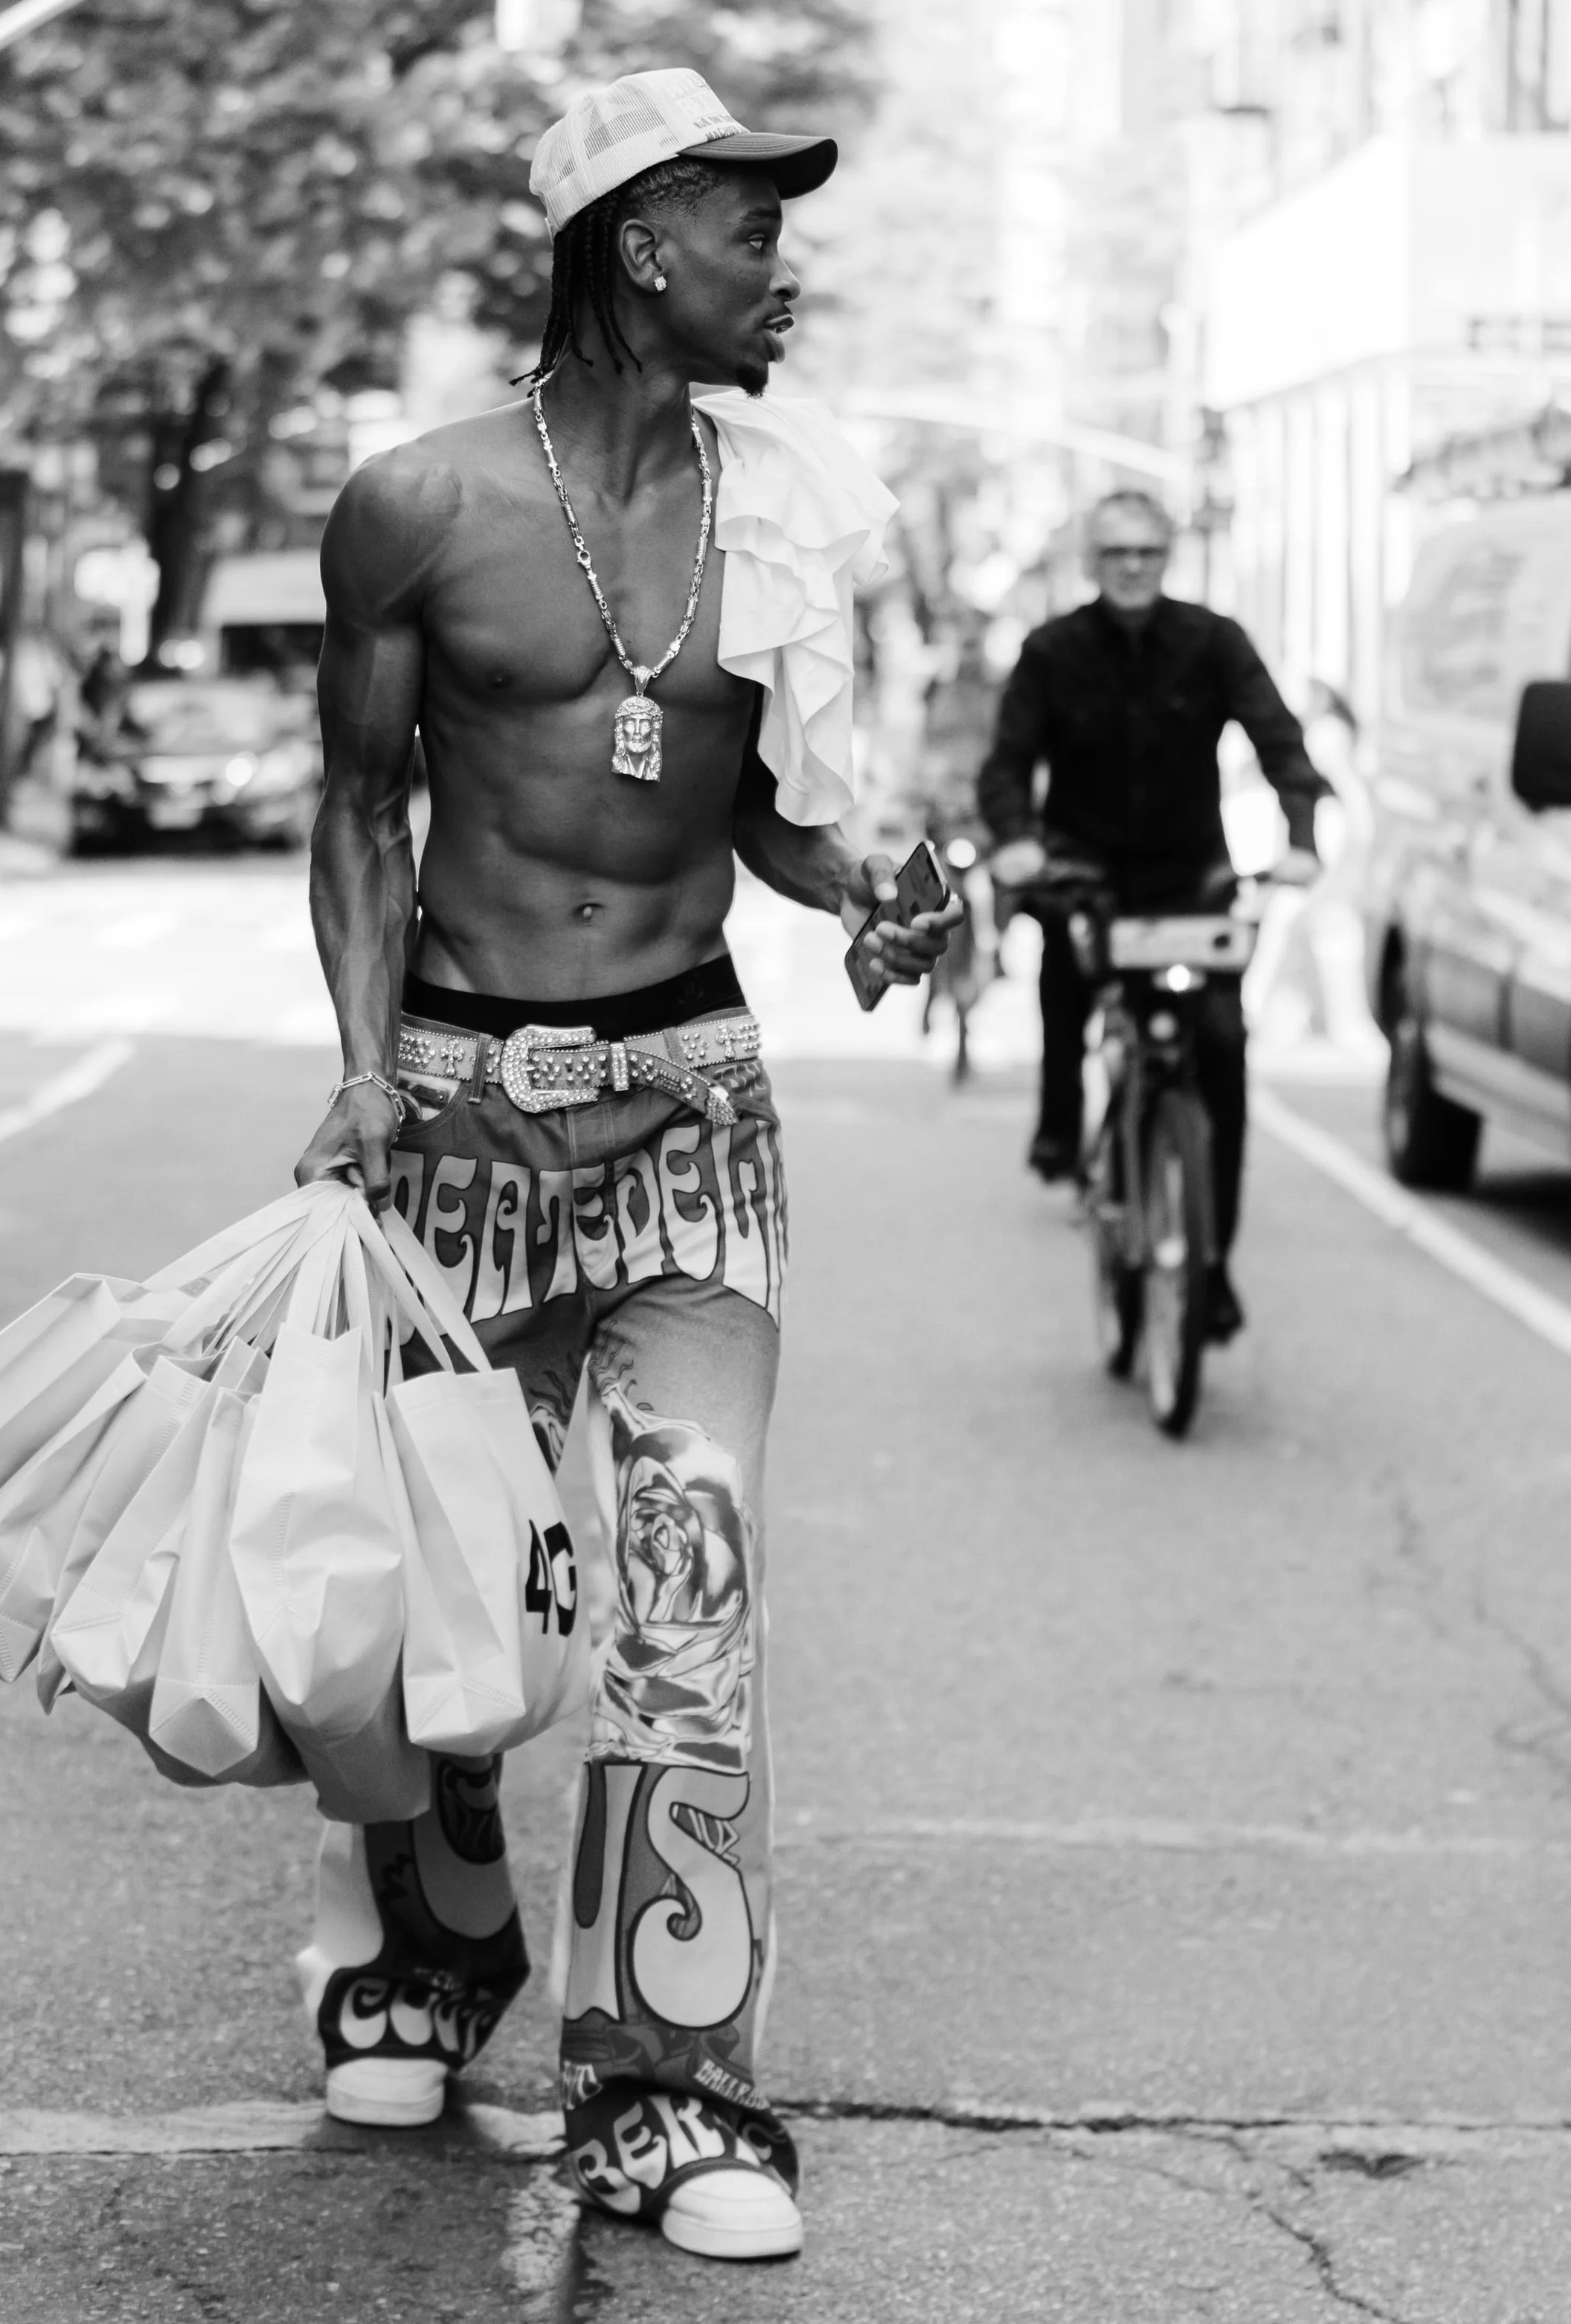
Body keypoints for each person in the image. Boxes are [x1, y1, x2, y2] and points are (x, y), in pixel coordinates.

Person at [289, 66, 955, 2265]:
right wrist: (366, 1064)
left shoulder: (786, 504)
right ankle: (439, 1941)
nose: (784, 271)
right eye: (748, 230)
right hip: (459, 1101)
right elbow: (359, 810)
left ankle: (657, 2093)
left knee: (684, 1593)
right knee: (417, 1602)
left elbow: (769, 809)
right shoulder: (413, 504)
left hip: (687, 1104)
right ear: (636, 242)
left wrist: (872, 887)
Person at [977, 489, 1323, 1342]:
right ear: (1092, 563)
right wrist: (1017, 839)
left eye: (1147, 554)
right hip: (1085, 873)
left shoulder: (1214, 640)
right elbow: (1005, 766)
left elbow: (1281, 743)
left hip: (1189, 881)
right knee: (1064, 968)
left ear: (1167, 559)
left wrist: (1302, 836)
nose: (1132, 568)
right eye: (1116, 554)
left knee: (1222, 1047)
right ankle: (1061, 1122)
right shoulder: (1050, 650)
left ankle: (1212, 1263)